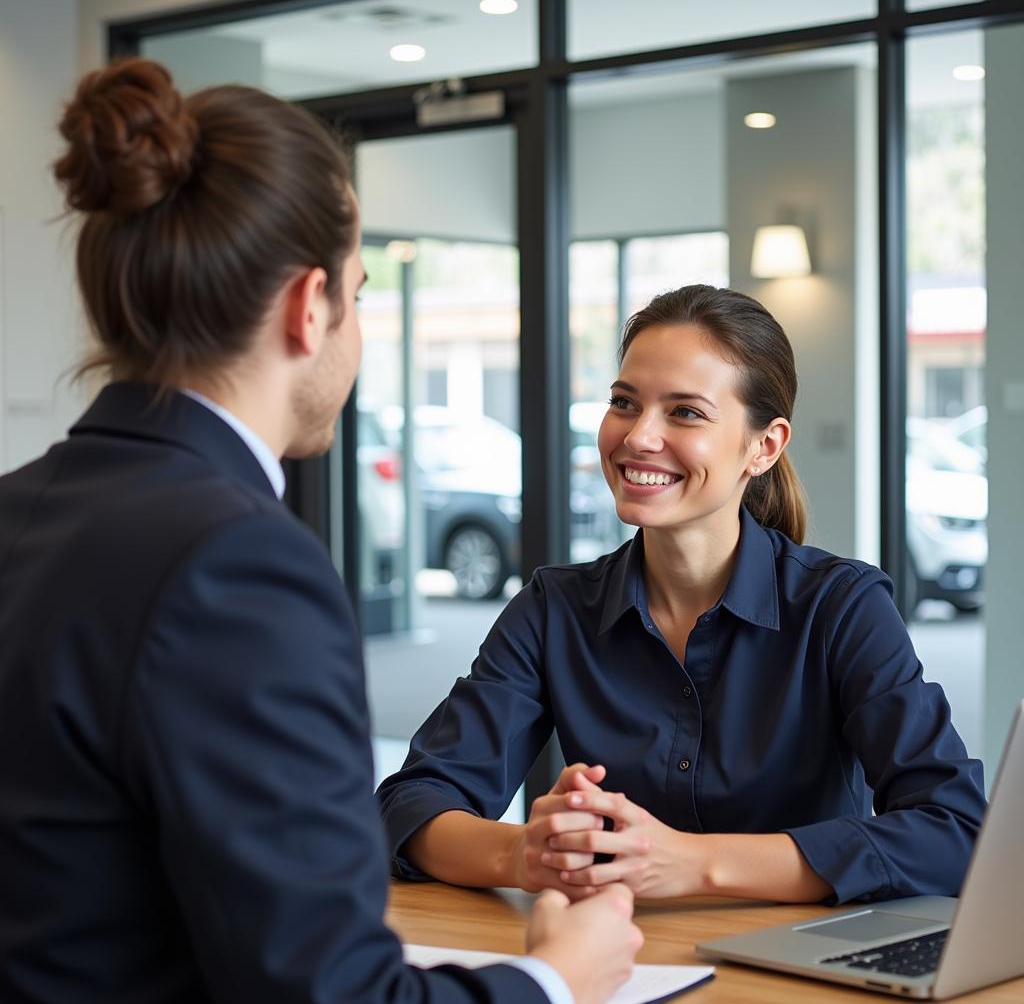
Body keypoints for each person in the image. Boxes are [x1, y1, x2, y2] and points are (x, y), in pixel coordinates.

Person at [0, 58, 643, 1004]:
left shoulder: (19, 509)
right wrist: (555, 979)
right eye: (361, 289)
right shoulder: (238, 564)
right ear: (311, 307)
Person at [376, 284, 988, 907]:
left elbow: (954, 831)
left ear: (764, 446)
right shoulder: (552, 609)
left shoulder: (841, 606)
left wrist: (690, 863)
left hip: (800, 969)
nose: (639, 436)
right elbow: (411, 803)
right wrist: (524, 853)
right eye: (624, 402)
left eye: (685, 412)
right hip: (613, 961)